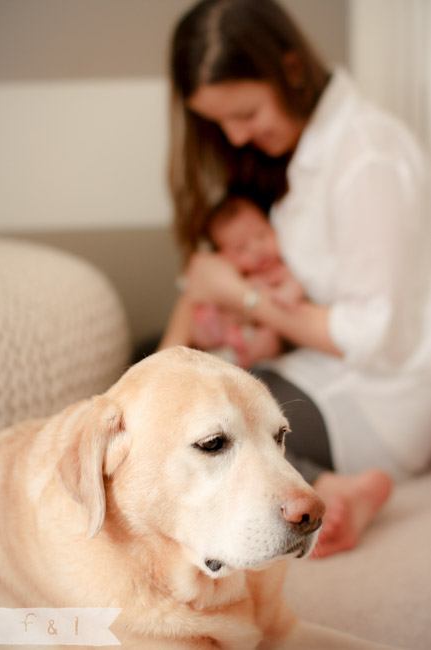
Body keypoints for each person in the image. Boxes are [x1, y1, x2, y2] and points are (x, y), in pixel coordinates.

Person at [164, 0, 431, 557]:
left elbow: (371, 334)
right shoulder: (304, 153)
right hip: (313, 366)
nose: (235, 137)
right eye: (221, 123)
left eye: (245, 114)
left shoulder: (367, 158)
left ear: (290, 69)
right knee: (169, 383)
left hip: (375, 394)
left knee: (190, 436)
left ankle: (337, 490)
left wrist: (244, 297)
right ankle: (322, 480)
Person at [161, 195, 304, 367]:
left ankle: (244, 360)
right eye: (242, 248)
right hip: (229, 336)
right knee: (203, 323)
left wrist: (285, 294)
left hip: (264, 331)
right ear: (225, 256)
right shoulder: (234, 275)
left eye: (261, 235)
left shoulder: (280, 269)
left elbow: (296, 283)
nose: (257, 249)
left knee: (269, 340)